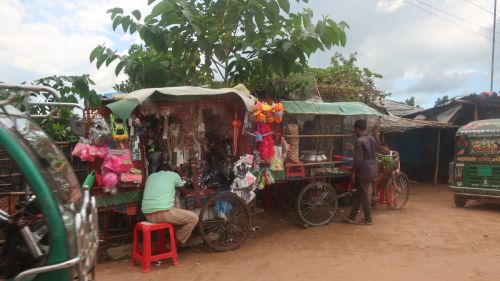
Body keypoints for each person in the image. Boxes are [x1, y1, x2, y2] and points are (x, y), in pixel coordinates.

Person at [141, 163, 198, 245]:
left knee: (177, 216)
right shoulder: (173, 175)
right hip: (163, 213)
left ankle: (173, 240)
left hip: (148, 215)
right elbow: (184, 193)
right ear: (169, 171)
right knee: (194, 218)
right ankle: (175, 242)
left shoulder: (150, 176)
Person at [344, 119, 379, 225]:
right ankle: (352, 217)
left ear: (357, 128)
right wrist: (375, 134)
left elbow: (358, 160)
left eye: (355, 129)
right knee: (360, 194)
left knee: (363, 196)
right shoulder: (372, 138)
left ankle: (368, 219)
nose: (355, 132)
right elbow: (378, 148)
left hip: (364, 171)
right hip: (372, 169)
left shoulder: (359, 141)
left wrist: (353, 172)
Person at [373, 143, 400, 207]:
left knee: (376, 182)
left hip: (394, 172)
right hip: (385, 173)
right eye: (380, 150)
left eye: (382, 149)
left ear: (386, 146)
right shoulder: (381, 155)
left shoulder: (394, 153)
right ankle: (375, 200)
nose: (382, 151)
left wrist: (386, 170)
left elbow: (396, 165)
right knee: (375, 181)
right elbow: (380, 167)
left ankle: (376, 200)